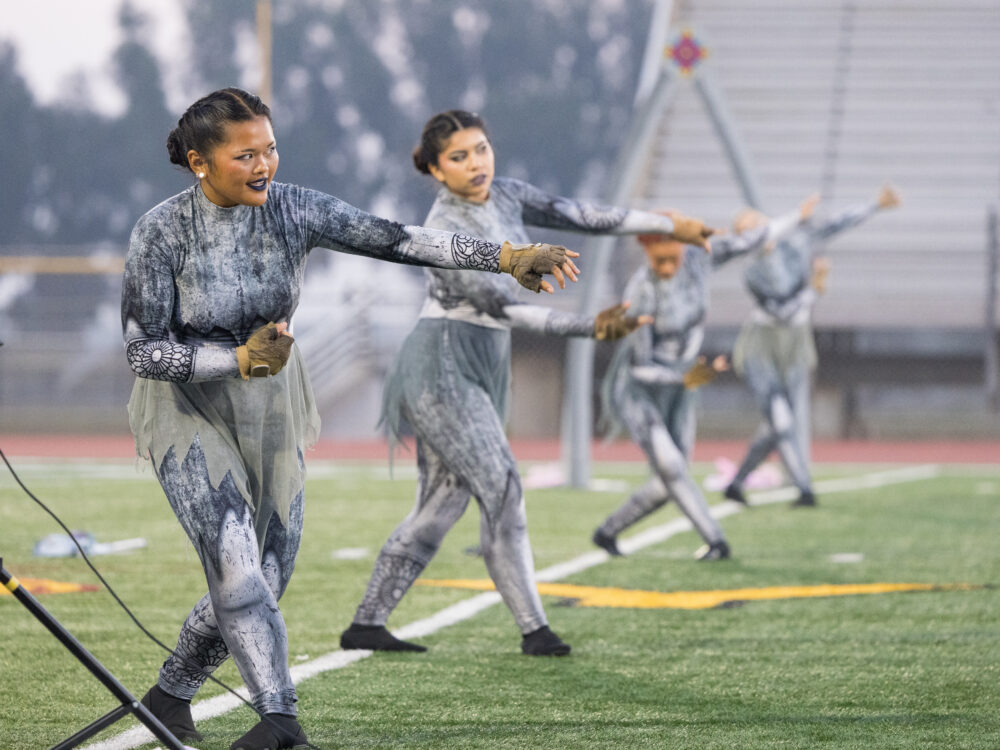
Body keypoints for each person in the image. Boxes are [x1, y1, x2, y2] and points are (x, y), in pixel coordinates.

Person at [122, 89, 576, 750]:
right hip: (185, 405)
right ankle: (280, 721)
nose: (264, 164)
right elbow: (142, 350)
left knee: (268, 575)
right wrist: (234, 359)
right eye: (244, 153)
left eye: (269, 148)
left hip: (271, 397)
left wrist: (507, 256)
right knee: (236, 562)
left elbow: (397, 240)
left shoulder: (296, 208)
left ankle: (170, 695)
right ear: (199, 162)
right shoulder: (159, 232)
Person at [339, 109, 713, 657]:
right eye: (459, 157)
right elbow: (507, 310)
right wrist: (589, 326)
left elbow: (574, 214)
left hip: (478, 359)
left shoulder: (507, 194)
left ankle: (366, 625)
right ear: (437, 171)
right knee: (504, 489)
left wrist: (661, 223)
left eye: (482, 149)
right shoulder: (444, 229)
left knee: (442, 505)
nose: (476, 164)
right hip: (442, 363)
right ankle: (535, 630)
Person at [591, 206, 804, 561]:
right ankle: (716, 541)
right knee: (672, 468)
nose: (667, 268)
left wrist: (797, 216)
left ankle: (608, 531)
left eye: (672, 257)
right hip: (642, 392)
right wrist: (683, 376)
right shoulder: (641, 291)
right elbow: (640, 365)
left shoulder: (699, 261)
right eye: (658, 260)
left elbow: (750, 240)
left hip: (682, 388)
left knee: (670, 479)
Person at [723, 185, 901, 508]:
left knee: (782, 421)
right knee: (780, 420)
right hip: (763, 346)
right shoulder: (752, 272)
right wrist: (816, 288)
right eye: (748, 228)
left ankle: (738, 482)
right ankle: (804, 489)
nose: (758, 229)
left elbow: (834, 226)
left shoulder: (795, 243)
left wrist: (874, 205)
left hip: (795, 341)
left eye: (758, 222)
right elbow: (784, 306)